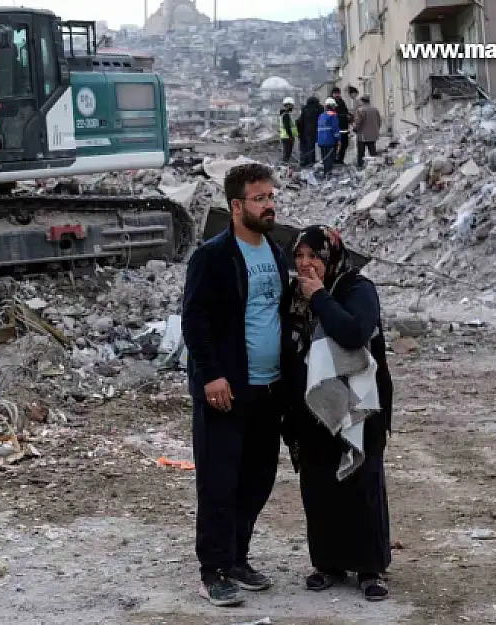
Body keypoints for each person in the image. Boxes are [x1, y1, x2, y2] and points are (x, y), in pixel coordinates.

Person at [181, 162, 290, 606]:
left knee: (258, 479)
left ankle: (238, 557)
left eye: (272, 196)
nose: (270, 204)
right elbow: (195, 319)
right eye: (260, 198)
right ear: (236, 205)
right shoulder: (213, 256)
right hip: (226, 390)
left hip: (269, 390)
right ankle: (213, 571)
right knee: (219, 481)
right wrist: (211, 376)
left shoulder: (277, 253)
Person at [280, 225, 394, 601]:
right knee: (319, 485)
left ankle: (370, 568)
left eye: (314, 256)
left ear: (331, 257)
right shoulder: (294, 296)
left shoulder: (356, 289)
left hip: (358, 406)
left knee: (362, 483)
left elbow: (354, 332)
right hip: (312, 408)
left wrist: (320, 298)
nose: (306, 264)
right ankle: (327, 562)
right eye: (300, 257)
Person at [316, 98, 341, 179]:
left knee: (324, 158)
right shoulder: (333, 115)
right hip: (330, 141)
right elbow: (335, 129)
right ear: (332, 106)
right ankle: (328, 175)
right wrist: (338, 139)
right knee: (330, 158)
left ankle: (325, 173)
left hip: (321, 141)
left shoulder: (321, 115)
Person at [354, 95, 381, 168]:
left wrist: (355, 129)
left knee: (361, 153)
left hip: (362, 135)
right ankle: (375, 166)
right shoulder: (375, 109)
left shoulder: (360, 110)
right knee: (372, 151)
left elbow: (358, 122)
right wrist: (376, 130)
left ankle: (360, 167)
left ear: (362, 101)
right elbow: (379, 122)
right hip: (373, 135)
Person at [297, 95, 322, 168]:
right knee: (319, 148)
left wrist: (300, 133)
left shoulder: (305, 109)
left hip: (307, 131)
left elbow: (300, 122)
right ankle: (319, 162)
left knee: (309, 147)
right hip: (318, 130)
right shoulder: (320, 108)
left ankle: (309, 163)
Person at [330, 87, 351, 164]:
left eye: (338, 93)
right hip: (336, 127)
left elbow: (346, 111)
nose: (337, 94)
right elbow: (332, 115)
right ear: (332, 94)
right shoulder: (331, 103)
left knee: (345, 144)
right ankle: (334, 159)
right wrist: (344, 116)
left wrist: (348, 116)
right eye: (335, 93)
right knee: (334, 144)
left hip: (344, 127)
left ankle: (340, 159)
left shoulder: (342, 102)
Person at [279, 97, 297, 163]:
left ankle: (285, 167)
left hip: (286, 137)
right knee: (287, 155)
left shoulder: (285, 114)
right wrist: (291, 136)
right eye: (291, 106)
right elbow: (287, 127)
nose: (292, 107)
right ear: (288, 105)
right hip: (287, 137)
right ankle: (284, 168)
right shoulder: (285, 115)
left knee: (286, 154)